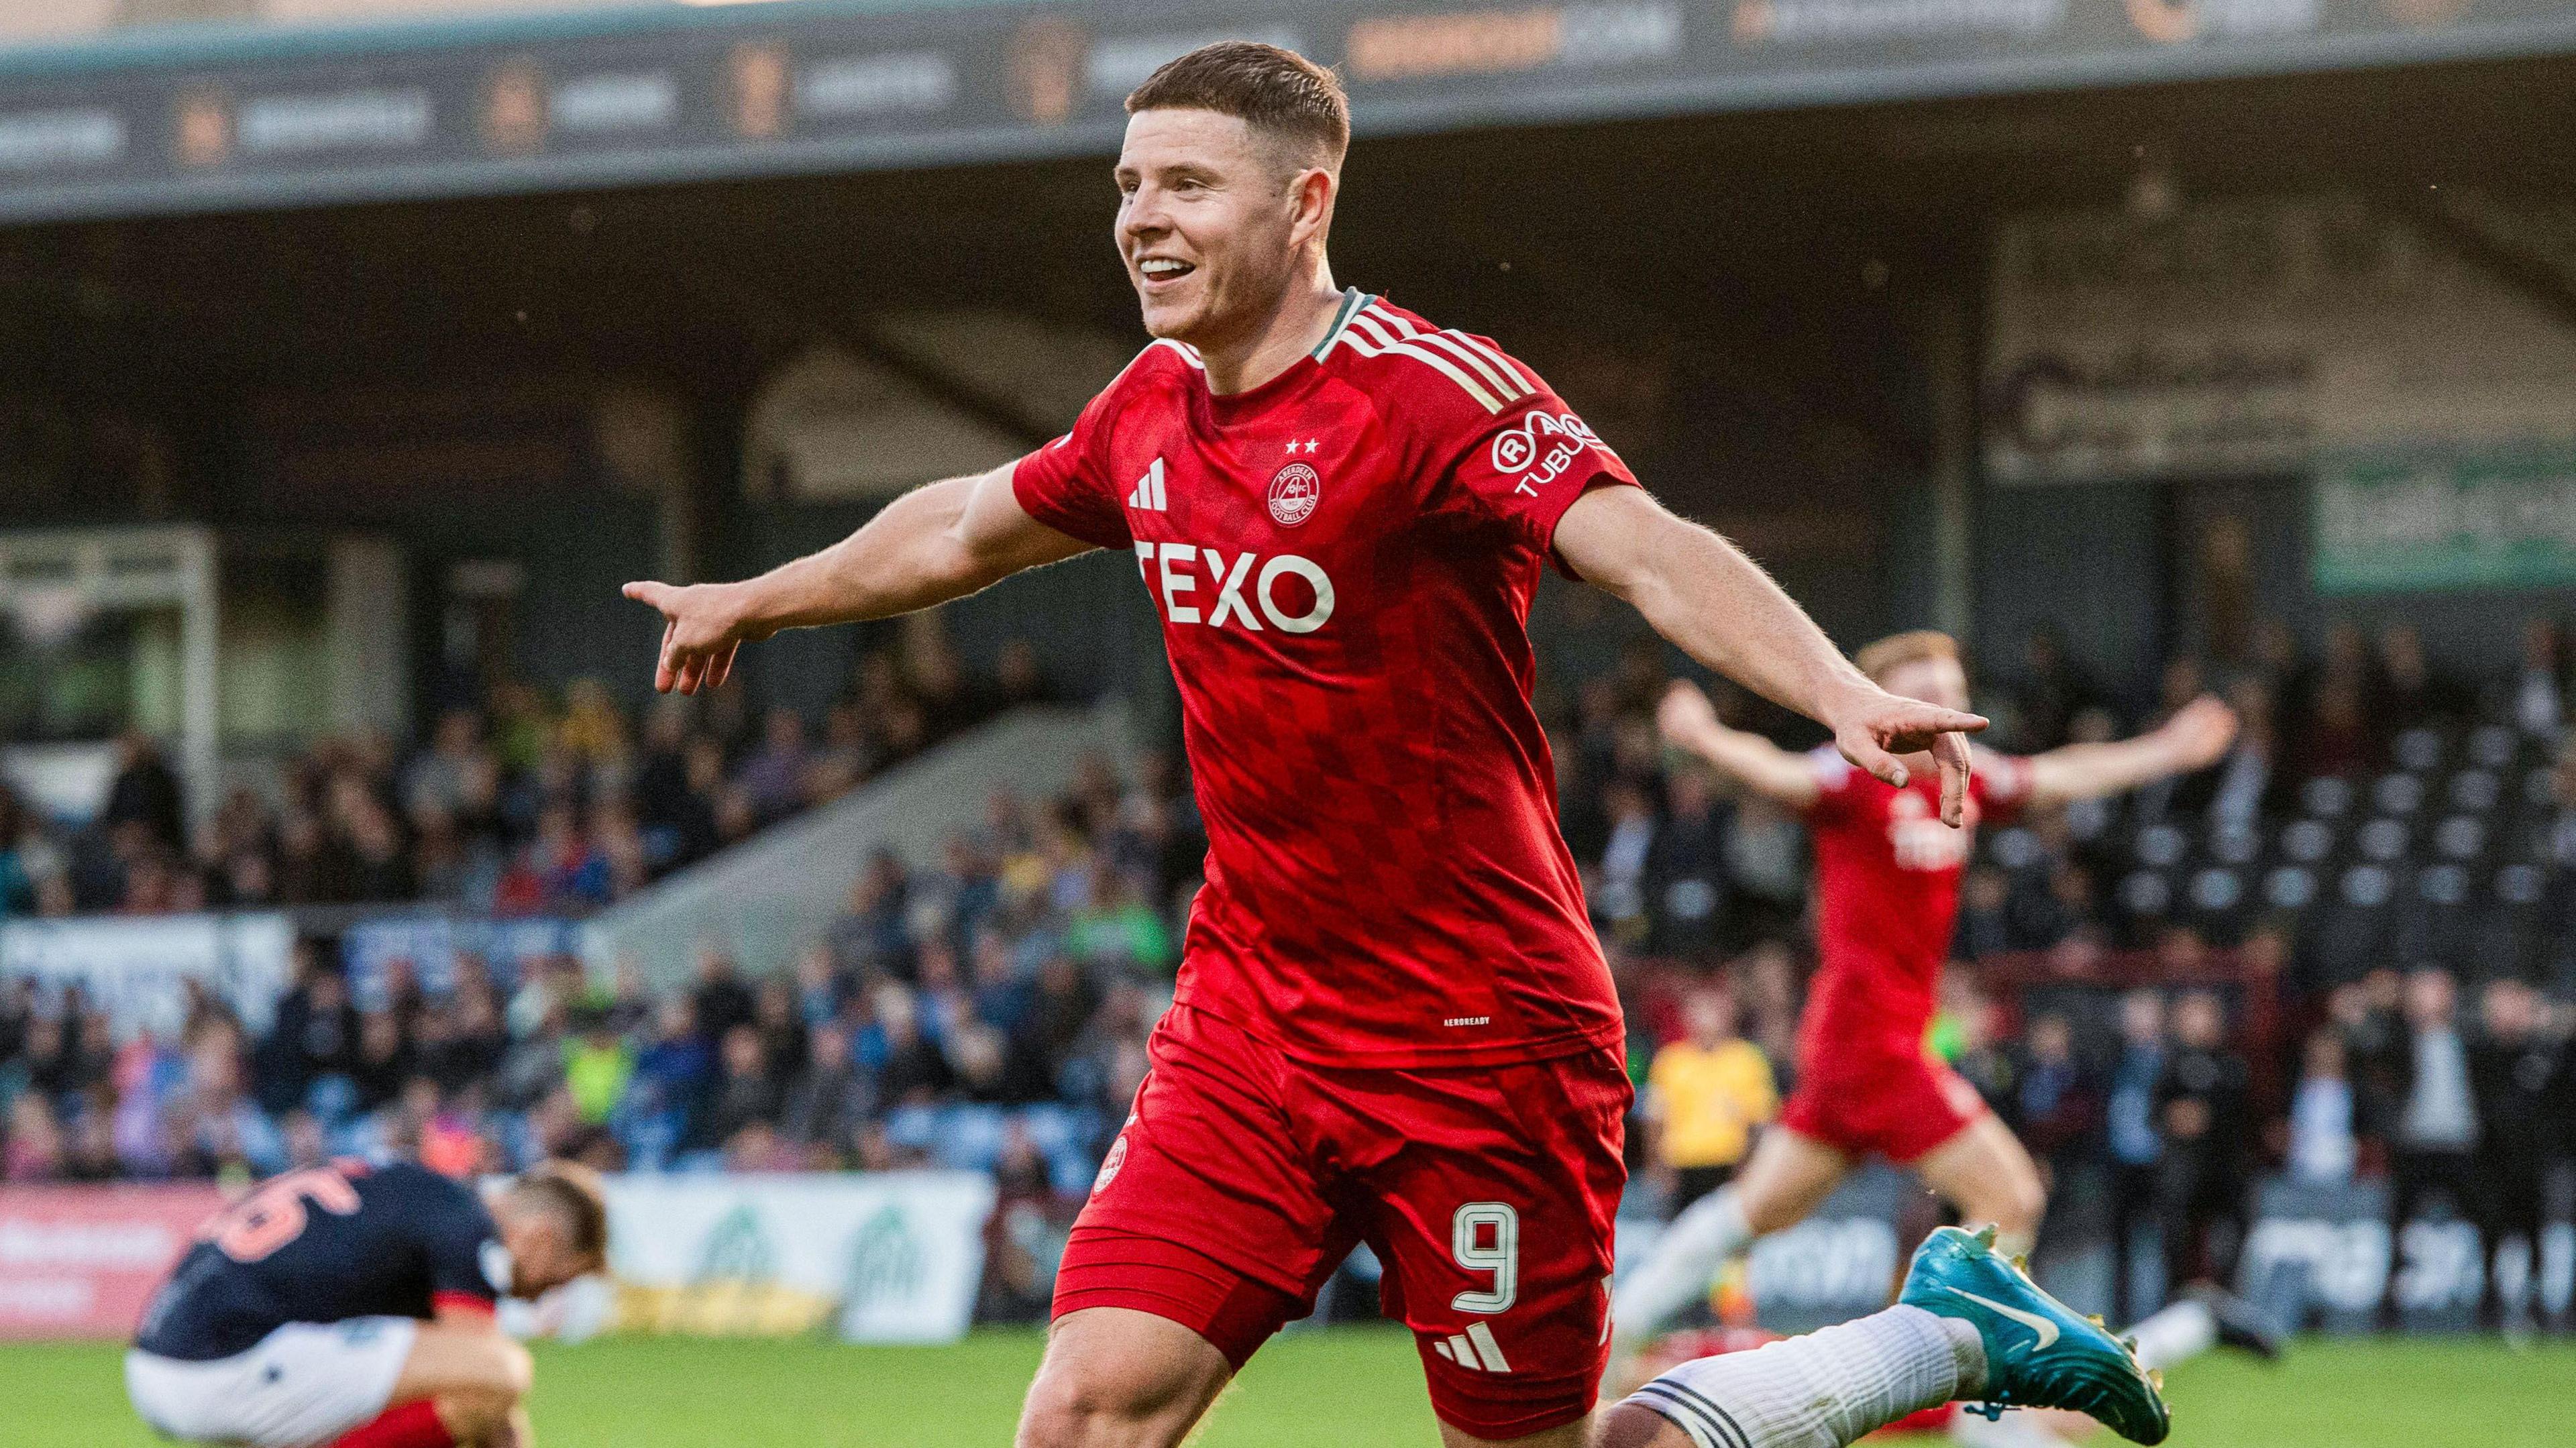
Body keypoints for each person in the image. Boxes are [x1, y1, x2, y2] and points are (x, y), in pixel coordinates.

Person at [622, 41, 2166, 1448]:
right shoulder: (1150, 406)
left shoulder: (1428, 398)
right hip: (1250, 1019)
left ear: (1304, 201)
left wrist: (1830, 686)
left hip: (1480, 1040)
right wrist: (759, 596)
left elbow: (1642, 546)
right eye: (1126, 185)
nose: (1139, 219)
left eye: (1183, 184)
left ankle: (1930, 1339)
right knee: (1081, 1417)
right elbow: (959, 528)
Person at [1617, 635, 2234, 1364]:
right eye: (1922, 690)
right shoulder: (1852, 773)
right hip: (1870, 1040)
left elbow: (2065, 773)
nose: (1942, 704)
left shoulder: (1966, 780)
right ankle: (1926, 1383)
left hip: (1866, 1040)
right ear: (1881, 706)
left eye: (1951, 688)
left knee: (1758, 1208)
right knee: (2013, 1198)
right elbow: (1778, 772)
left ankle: (1611, 1335)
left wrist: (2166, 749)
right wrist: (1707, 736)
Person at [126, 1158, 606, 1448]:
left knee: (437, 1399)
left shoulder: (413, 1189)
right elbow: (485, 1381)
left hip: (165, 1352)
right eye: (559, 1279)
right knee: (503, 1371)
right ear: (542, 1239)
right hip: (218, 1362)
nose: (547, 1294)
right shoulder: (469, 1226)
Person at [1643, 987, 1777, 1215]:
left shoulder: (1746, 1059)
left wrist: (1753, 1167)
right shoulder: (1671, 1061)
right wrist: (1657, 1167)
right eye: (1698, 1012)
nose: (1705, 1020)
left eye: (1712, 1012)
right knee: (1681, 1236)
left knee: (1730, 1238)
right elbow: (1655, 1120)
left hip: (1729, 1162)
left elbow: (1760, 1120)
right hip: (1682, 1163)